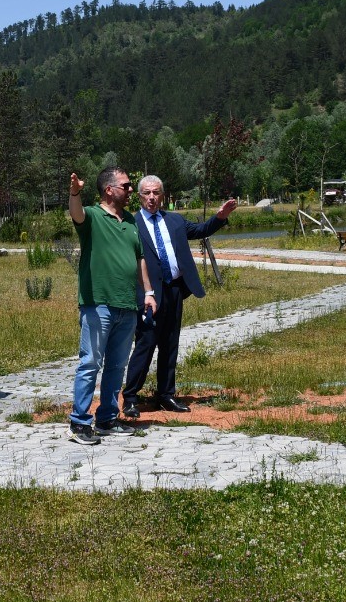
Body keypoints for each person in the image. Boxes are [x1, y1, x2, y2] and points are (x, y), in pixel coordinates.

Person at [122, 177, 237, 417]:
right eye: (146, 193)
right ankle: (130, 398)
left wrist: (221, 216)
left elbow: (201, 230)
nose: (151, 197)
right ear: (139, 196)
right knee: (146, 344)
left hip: (174, 290)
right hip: (147, 295)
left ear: (162, 195)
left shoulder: (173, 220)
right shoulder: (130, 223)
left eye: (156, 192)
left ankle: (165, 395)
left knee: (170, 344)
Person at [65, 167, 156, 445]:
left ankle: (107, 418)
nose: (131, 190)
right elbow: (76, 213)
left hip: (126, 305)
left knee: (117, 366)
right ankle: (79, 422)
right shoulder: (92, 215)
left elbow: (139, 257)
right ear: (109, 189)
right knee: (91, 362)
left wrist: (149, 292)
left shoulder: (129, 220)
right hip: (98, 304)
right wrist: (75, 192)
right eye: (126, 186)